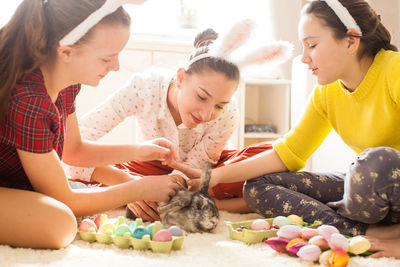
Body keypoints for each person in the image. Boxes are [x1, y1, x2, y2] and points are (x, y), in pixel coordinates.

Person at [180, 0, 400, 259]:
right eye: (303, 46)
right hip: (368, 194)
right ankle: (360, 232)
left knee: (376, 163)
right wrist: (213, 177)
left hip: (385, 180)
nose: (305, 57)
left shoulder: (393, 70)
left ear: (351, 41)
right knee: (257, 186)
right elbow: (288, 153)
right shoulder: (326, 92)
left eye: (313, 45)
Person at [0, 0, 183, 249]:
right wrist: (139, 188)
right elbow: (65, 199)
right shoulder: (29, 99)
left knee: (85, 201)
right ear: (66, 52)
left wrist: (139, 150)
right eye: (107, 58)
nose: (116, 66)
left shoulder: (67, 82)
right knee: (61, 223)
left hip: (15, 185)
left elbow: (73, 151)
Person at [66, 20, 293, 220]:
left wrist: (162, 190)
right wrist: (132, 187)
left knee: (268, 161)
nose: (206, 115)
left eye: (219, 105)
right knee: (78, 170)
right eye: (201, 97)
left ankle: (217, 204)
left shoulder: (228, 114)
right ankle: (235, 202)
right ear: (181, 77)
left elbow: (197, 167)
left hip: (205, 176)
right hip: (148, 169)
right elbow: (74, 145)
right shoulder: (144, 87)